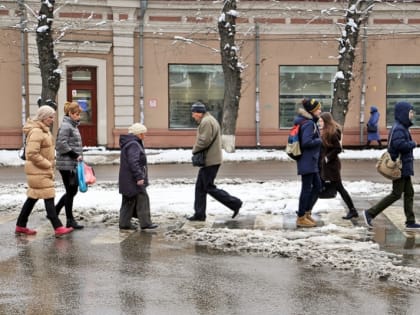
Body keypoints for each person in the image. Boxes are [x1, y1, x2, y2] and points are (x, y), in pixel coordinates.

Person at [15, 105, 74, 237]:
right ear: (43, 117)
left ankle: (20, 225)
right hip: (39, 170)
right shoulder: (37, 131)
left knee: (32, 198)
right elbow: (31, 154)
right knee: (49, 196)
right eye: (50, 117)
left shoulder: (43, 130)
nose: (52, 119)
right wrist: (47, 164)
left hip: (40, 171)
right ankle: (58, 227)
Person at [363, 101, 420, 231]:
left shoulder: (402, 127)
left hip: (403, 167)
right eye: (410, 112)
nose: (412, 115)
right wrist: (412, 144)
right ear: (404, 113)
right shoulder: (399, 128)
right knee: (396, 194)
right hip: (399, 167)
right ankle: (370, 213)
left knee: (409, 192)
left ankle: (410, 221)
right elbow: (399, 145)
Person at [188, 101, 242, 221]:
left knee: (208, 187)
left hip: (210, 160)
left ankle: (235, 203)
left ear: (199, 113)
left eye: (193, 113)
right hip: (211, 159)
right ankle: (199, 214)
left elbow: (204, 140)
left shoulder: (206, 122)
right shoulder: (209, 120)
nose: (192, 115)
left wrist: (195, 149)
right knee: (201, 188)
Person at [118, 123, 158, 230]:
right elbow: (133, 162)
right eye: (143, 134)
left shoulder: (130, 143)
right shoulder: (133, 144)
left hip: (127, 179)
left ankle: (124, 223)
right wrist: (139, 177)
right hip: (133, 180)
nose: (144, 136)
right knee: (142, 198)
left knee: (128, 200)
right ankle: (145, 223)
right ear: (138, 134)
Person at [319, 112, 358, 220]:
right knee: (321, 186)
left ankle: (352, 210)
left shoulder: (332, 133)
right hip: (327, 165)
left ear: (326, 121)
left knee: (339, 188)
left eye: (321, 121)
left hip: (332, 166)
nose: (320, 123)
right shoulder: (325, 131)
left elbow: (338, 148)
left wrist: (327, 158)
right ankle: (306, 210)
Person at [55, 101, 84, 229]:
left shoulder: (72, 126)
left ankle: (55, 212)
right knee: (71, 191)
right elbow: (61, 144)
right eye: (77, 114)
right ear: (70, 114)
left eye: (79, 114)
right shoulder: (66, 126)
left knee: (71, 191)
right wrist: (75, 155)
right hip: (66, 165)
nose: (79, 116)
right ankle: (69, 220)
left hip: (71, 164)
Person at [294, 99, 322, 228]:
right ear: (311, 111)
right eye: (317, 109)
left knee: (317, 186)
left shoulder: (309, 122)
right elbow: (306, 142)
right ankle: (301, 217)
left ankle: (306, 212)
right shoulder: (309, 124)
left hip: (310, 160)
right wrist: (319, 140)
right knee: (306, 189)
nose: (320, 111)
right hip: (307, 160)